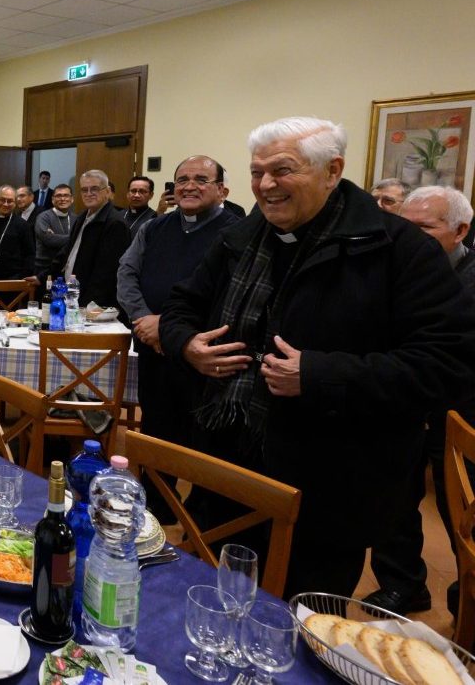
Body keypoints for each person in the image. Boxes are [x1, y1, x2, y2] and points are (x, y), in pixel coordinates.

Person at [159, 117, 475, 597]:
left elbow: (443, 363)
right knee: (214, 600)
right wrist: (187, 343)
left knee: (303, 628)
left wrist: (320, 373)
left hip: (329, 482)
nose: (266, 185)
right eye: (257, 172)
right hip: (226, 460)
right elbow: (183, 304)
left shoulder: (398, 249)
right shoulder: (242, 238)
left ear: (333, 170)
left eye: (283, 171)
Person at [364, 185, 475, 613]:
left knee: (459, 509)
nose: (408, 237)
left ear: (460, 229)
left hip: (459, 413)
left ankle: (467, 594)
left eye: (423, 228)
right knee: (395, 501)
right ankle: (404, 585)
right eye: (402, 227)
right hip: (404, 404)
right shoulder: (394, 269)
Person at [116, 156, 239, 517]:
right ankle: (156, 509)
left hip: (204, 358)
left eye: (201, 179)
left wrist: (167, 329)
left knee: (201, 442)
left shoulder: (235, 233)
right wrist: (143, 319)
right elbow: (127, 273)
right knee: (156, 428)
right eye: (181, 179)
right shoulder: (155, 228)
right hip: (153, 350)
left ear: (222, 190)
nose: (189, 186)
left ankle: (198, 524)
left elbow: (229, 297)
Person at [40, 170, 130, 308]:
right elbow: (67, 252)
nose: (88, 194)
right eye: (84, 190)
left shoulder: (115, 223)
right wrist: (41, 277)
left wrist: (88, 307)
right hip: (72, 296)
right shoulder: (82, 217)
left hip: (93, 304)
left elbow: (107, 273)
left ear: (107, 191)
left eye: (94, 189)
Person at [0, 185, 36, 283]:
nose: (6, 204)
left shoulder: (22, 225)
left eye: (10, 201)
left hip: (13, 280)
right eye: (2, 200)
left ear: (15, 203)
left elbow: (30, 254)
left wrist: (22, 278)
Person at [33, 184, 75, 271]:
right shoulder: (43, 217)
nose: (62, 199)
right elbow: (48, 240)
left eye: (66, 195)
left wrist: (56, 237)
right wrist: (74, 237)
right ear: (52, 199)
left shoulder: (76, 218)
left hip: (67, 266)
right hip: (44, 267)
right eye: (58, 196)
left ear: (72, 199)